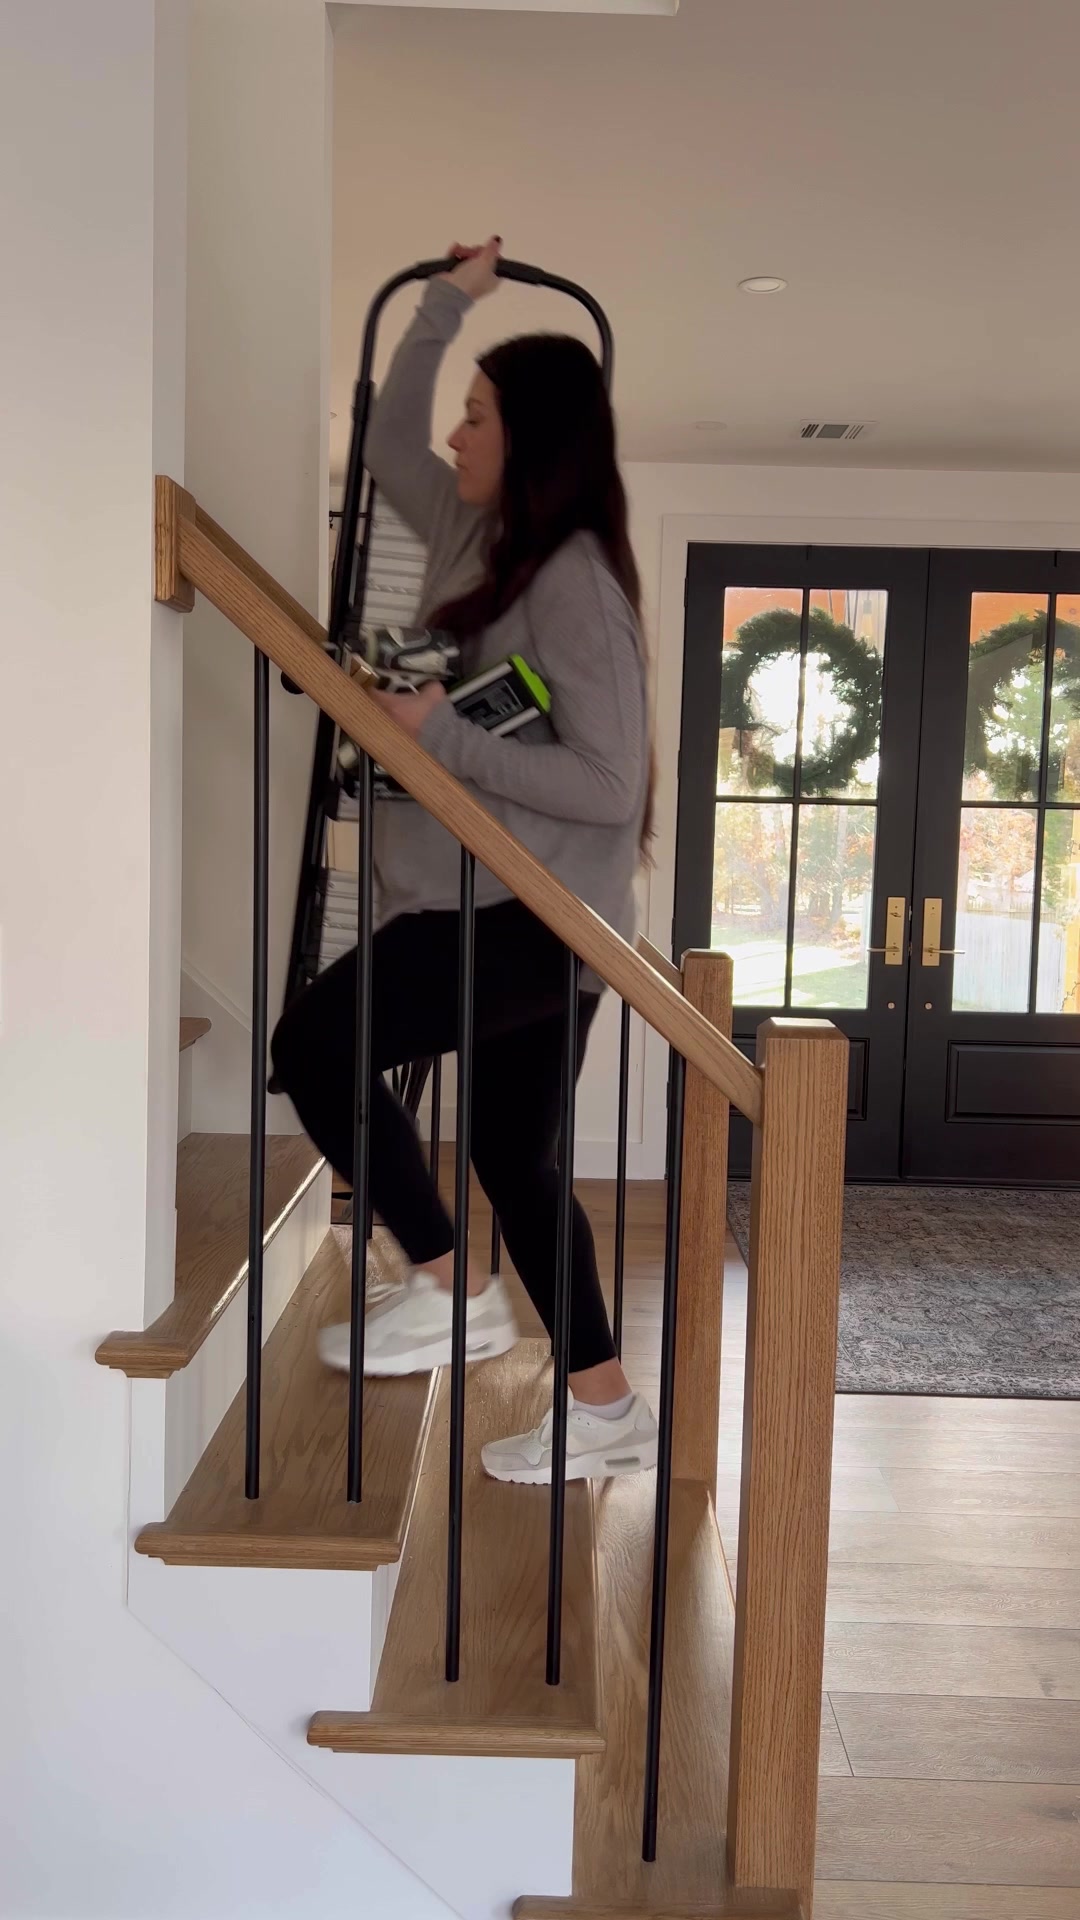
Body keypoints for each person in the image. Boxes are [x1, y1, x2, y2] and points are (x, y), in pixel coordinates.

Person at [271, 238, 657, 1486]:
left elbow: (612, 785)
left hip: (535, 915)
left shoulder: (576, 583)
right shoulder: (473, 535)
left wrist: (439, 734)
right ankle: (604, 1404)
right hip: (496, 906)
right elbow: (390, 439)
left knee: (315, 1047)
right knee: (514, 1158)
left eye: (478, 416)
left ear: (532, 437)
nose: (455, 434)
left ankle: (446, 1288)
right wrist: (446, 304)